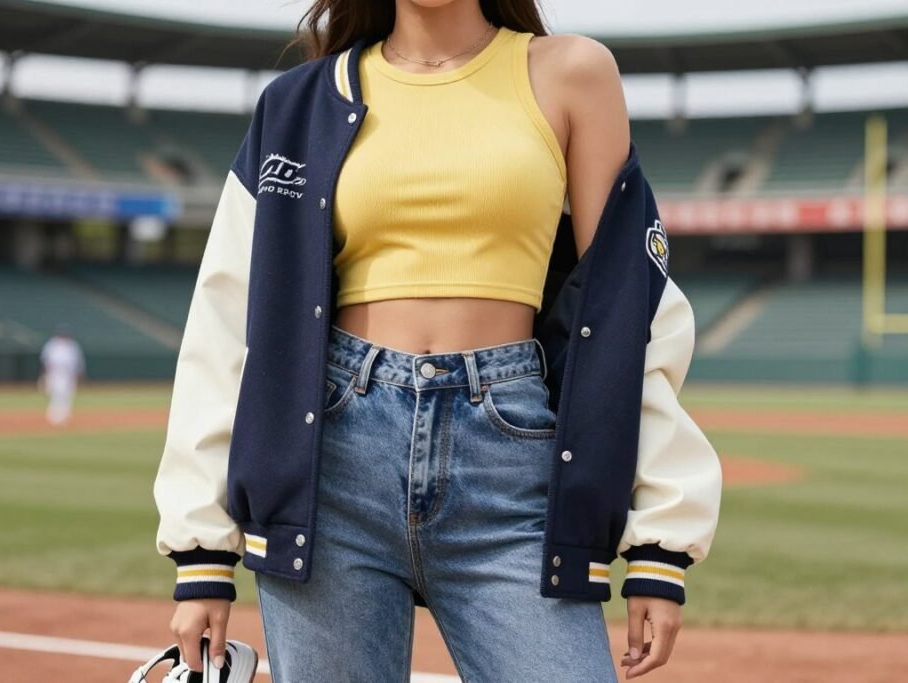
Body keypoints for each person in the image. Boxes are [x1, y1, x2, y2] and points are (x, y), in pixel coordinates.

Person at [153, 1, 723, 681]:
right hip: (328, 472)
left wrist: (661, 544)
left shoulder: (572, 73)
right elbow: (225, 316)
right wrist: (202, 552)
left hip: (510, 465)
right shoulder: (298, 102)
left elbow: (631, 306)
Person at [39, 325, 85, 425]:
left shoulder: (73, 345)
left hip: (69, 374)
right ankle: (54, 415)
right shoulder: (52, 344)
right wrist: (45, 374)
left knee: (67, 394)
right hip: (55, 373)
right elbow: (46, 361)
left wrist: (79, 374)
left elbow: (78, 362)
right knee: (56, 393)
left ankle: (65, 414)